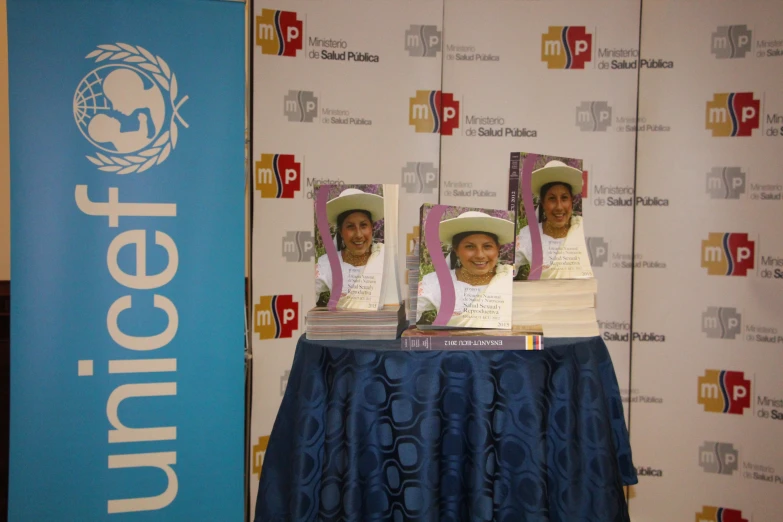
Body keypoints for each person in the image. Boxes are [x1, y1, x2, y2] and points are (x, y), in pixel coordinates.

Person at [416, 210, 514, 327]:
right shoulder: (436, 282)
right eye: (470, 247)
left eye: (487, 246)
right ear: (456, 250)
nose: (480, 255)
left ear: (498, 248)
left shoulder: (510, 279)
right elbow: (408, 313)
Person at [514, 160, 593, 279]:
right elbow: (505, 270)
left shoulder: (584, 231)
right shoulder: (529, 235)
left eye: (564, 198)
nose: (559, 207)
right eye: (552, 199)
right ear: (543, 203)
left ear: (572, 201)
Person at [315, 188, 385, 308]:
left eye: (363, 225)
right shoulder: (328, 264)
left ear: (372, 228)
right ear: (341, 232)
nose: (358, 234)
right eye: (350, 227)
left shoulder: (385, 258)